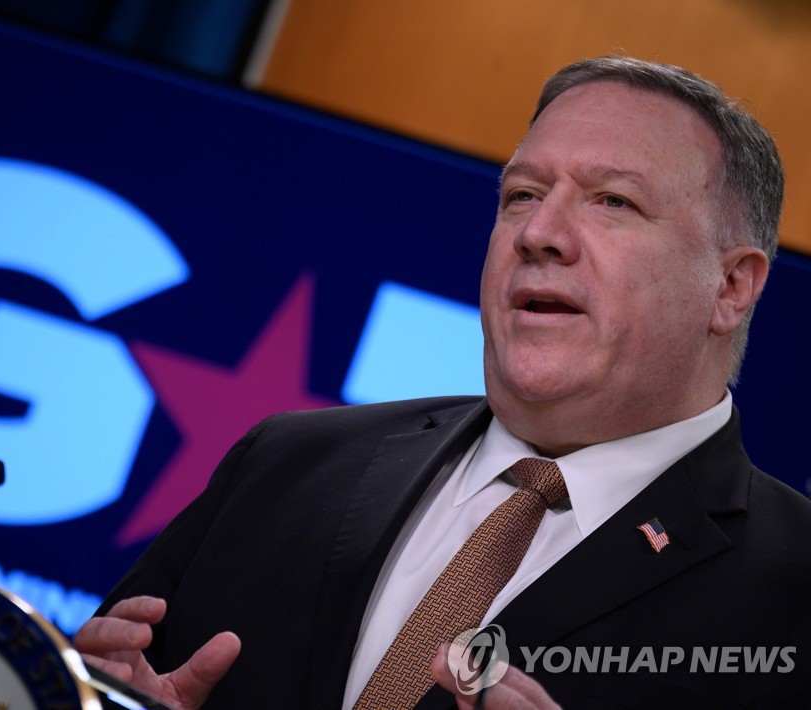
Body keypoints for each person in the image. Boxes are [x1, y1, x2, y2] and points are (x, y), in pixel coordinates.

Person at [73, 56, 811, 708]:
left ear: (731, 287)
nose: (538, 232)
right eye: (521, 194)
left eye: (612, 201)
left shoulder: (795, 594)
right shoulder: (286, 463)